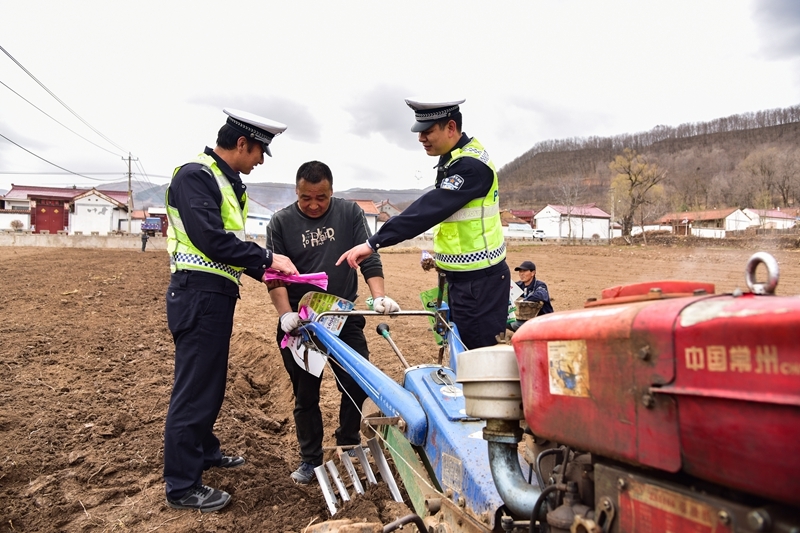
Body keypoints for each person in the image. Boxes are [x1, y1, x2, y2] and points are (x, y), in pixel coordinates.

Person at [163, 108, 298, 513]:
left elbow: (230, 253)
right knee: (195, 390)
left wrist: (275, 273)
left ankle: (204, 451)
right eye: (259, 152)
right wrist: (270, 258)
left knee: (211, 381)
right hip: (198, 295)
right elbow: (211, 240)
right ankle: (182, 485)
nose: (259, 160)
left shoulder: (225, 181)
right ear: (242, 144)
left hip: (214, 294)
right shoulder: (196, 176)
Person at [337, 98, 509, 350]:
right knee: (463, 352)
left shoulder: (469, 167)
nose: (421, 138)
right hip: (466, 280)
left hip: (479, 285)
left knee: (478, 359)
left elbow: (427, 211)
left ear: (451, 128)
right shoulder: (454, 157)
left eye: (427, 131)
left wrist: (373, 242)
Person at [266, 160, 400, 485]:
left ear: (331, 191)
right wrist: (285, 314)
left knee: (355, 383)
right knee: (306, 393)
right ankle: (310, 459)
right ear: (297, 192)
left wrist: (378, 295)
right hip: (302, 321)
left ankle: (349, 441)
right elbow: (273, 276)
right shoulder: (281, 222)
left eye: (321, 198)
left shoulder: (349, 213)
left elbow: (369, 256)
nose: (313, 205)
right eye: (305, 198)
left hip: (343, 314)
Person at [508, 260, 553, 332]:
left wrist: (524, 300)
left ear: (533, 273)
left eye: (524, 271)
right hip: (526, 318)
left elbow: (541, 295)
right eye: (520, 271)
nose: (521, 274)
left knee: (514, 324)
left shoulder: (540, 285)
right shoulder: (519, 285)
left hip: (543, 320)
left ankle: (529, 338)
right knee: (504, 321)